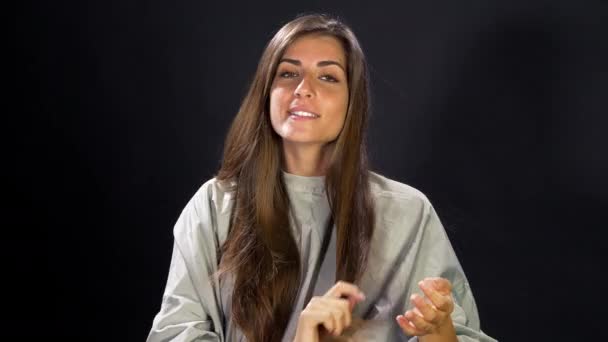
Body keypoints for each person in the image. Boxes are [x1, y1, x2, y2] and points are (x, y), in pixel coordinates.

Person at [147, 13, 496, 342]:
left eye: (327, 76)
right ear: (265, 91)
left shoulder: (407, 214)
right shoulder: (214, 206)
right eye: (287, 73)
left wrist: (439, 332)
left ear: (352, 101)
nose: (303, 88)